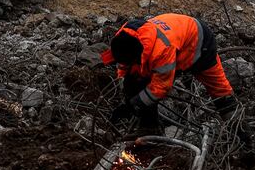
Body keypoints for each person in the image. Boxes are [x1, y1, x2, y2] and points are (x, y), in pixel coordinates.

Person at [102, 13, 238, 130]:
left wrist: (132, 105)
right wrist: (125, 91)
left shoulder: (161, 51)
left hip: (201, 45)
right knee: (136, 79)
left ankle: (243, 140)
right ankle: (149, 129)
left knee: (222, 94)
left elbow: (160, 88)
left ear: (139, 57)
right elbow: (124, 67)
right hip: (178, 35)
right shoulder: (124, 37)